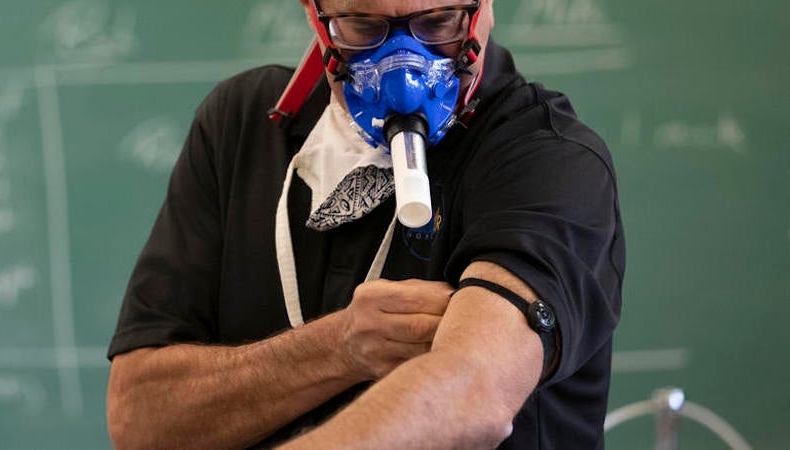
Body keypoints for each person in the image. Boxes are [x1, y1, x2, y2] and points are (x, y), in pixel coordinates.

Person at [106, 0, 624, 447]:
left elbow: (472, 394)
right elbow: (140, 419)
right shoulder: (241, 126)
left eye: (439, 22)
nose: (402, 71)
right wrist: (339, 346)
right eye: (362, 26)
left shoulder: (549, 160)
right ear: (316, 16)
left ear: (483, 10)